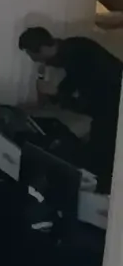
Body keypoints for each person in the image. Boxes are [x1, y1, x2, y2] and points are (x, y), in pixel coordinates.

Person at [20, 25, 123, 185]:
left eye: (33, 55)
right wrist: (51, 94)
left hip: (114, 104)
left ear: (43, 48)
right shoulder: (72, 48)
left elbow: (86, 105)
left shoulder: (82, 58)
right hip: (105, 104)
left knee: (98, 161)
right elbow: (70, 84)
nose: (34, 60)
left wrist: (56, 94)